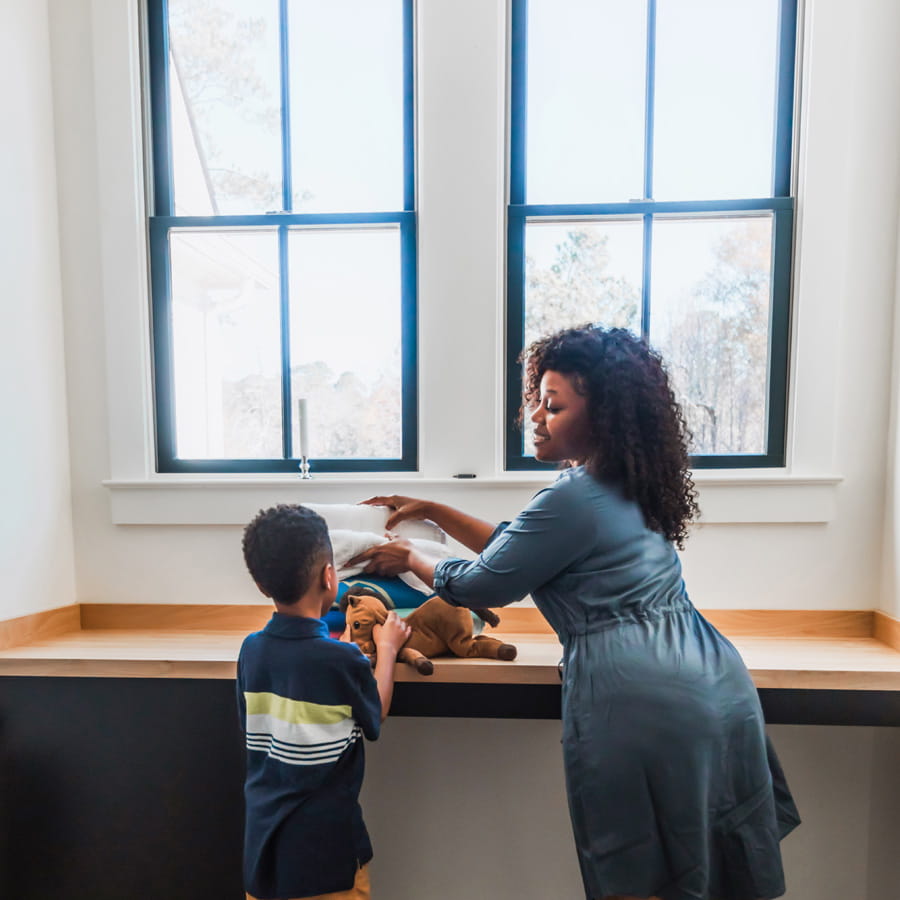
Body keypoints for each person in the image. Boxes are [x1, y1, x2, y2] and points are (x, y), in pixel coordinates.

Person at [349, 325, 801, 900]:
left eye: (553, 404)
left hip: (637, 698)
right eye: (536, 399)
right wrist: (439, 513)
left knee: (637, 873)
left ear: (605, 414)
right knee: (709, 865)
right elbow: (524, 546)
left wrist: (411, 555)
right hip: (712, 680)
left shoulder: (572, 496)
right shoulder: (630, 483)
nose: (535, 416)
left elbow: (491, 581)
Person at [239, 504, 410, 900]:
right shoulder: (341, 660)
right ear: (329, 575)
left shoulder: (251, 650)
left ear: (262, 585)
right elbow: (376, 714)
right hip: (327, 861)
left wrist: (345, 648)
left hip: (264, 854)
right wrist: (386, 649)